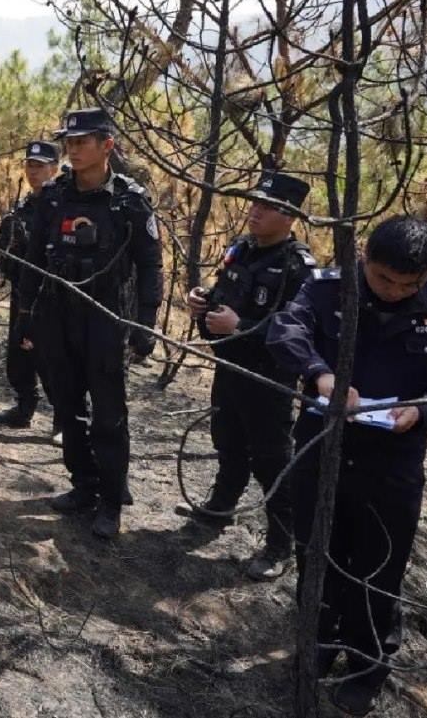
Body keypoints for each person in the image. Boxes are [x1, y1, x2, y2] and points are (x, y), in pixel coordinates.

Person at [267, 216, 427, 715]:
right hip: (323, 447)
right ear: (364, 257)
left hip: (393, 461)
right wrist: (321, 375)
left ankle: (367, 663)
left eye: (409, 284)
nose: (395, 291)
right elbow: (286, 331)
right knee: (317, 552)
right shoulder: (326, 290)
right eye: (384, 279)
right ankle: (318, 641)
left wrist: (422, 410)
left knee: (379, 565)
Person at [16, 107, 163, 539]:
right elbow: (33, 261)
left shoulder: (129, 201)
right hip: (56, 315)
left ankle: (111, 502)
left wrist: (146, 323)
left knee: (109, 415)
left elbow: (150, 266)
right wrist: (25, 315)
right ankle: (83, 486)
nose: (73, 150)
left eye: (82, 142)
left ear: (107, 146)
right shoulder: (54, 196)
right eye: (70, 142)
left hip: (105, 319)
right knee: (67, 406)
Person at [179, 172, 316, 580]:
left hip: (268, 380)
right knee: (228, 440)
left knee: (271, 459)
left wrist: (241, 327)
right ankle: (221, 506)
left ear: (289, 216)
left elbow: (298, 331)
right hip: (230, 368)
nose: (255, 211)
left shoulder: (298, 268)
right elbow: (226, 298)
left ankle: (280, 544)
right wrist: (203, 304)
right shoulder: (241, 250)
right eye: (254, 202)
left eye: (267, 206)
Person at [0, 140, 61, 441]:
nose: (33, 172)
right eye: (30, 165)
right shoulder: (23, 207)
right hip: (23, 292)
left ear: (54, 169)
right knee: (19, 355)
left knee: (52, 359)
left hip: (53, 297)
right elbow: (5, 251)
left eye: (40, 166)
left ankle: (64, 421)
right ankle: (24, 408)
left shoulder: (62, 205)